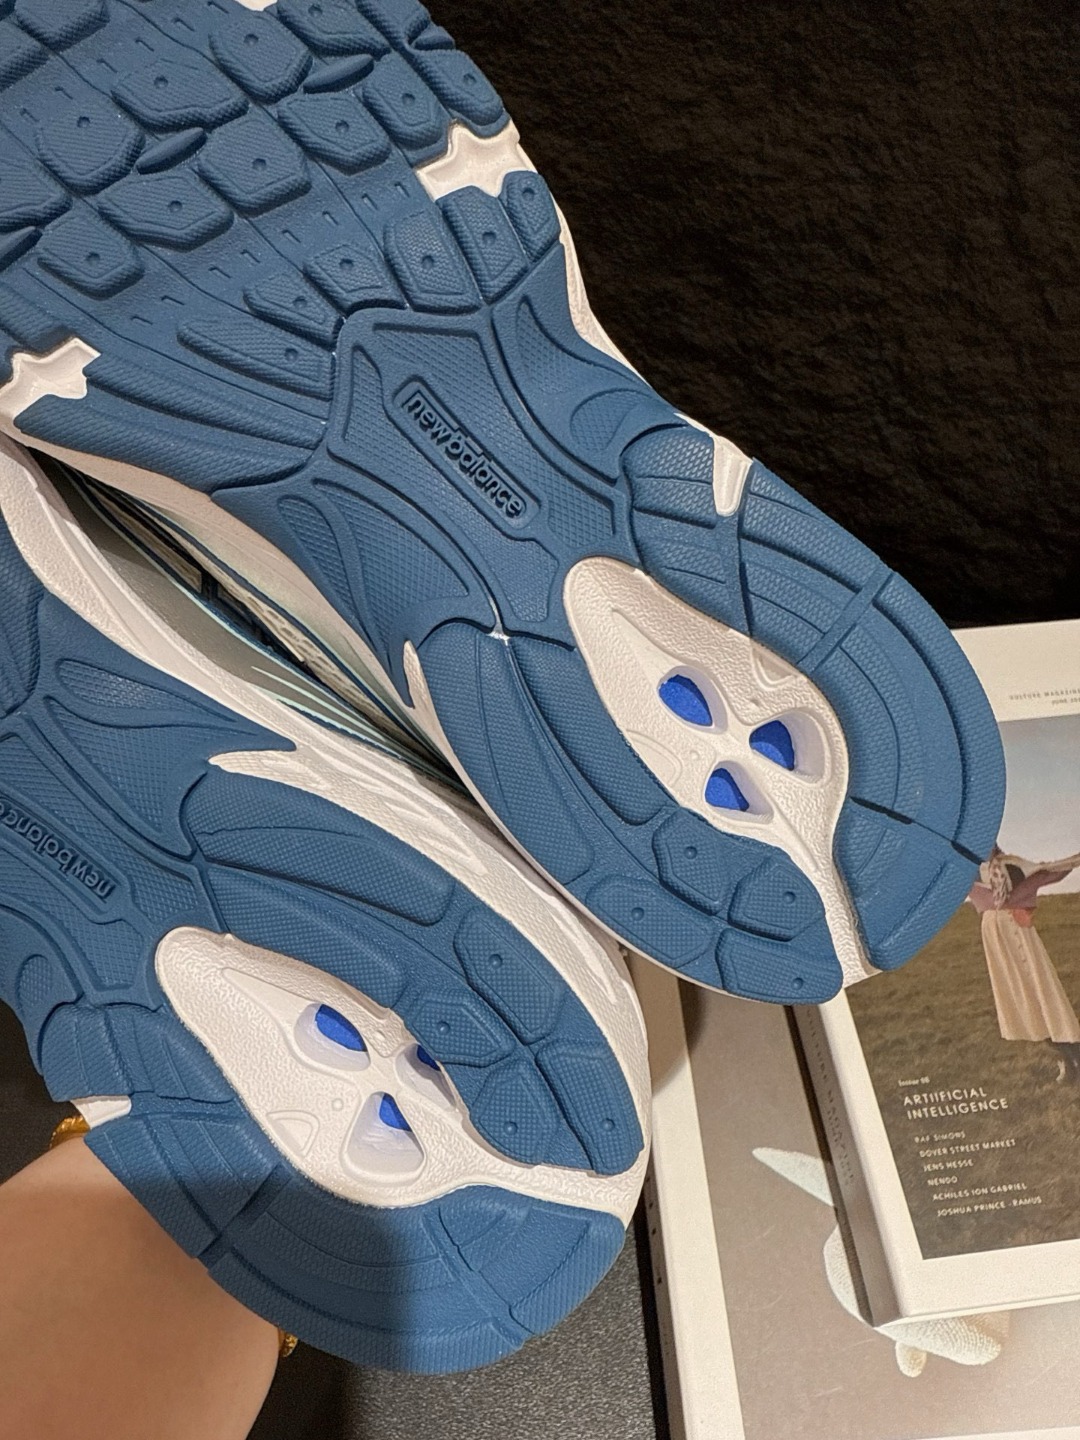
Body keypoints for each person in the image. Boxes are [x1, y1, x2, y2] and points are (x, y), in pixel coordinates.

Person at [968, 848, 1080, 1081]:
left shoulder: (1015, 867)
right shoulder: (968, 872)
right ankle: (1067, 1060)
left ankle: (1075, 1054)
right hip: (995, 938)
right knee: (1022, 1003)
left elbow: (1048, 871)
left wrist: (1074, 859)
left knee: (1041, 994)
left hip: (1017, 931)